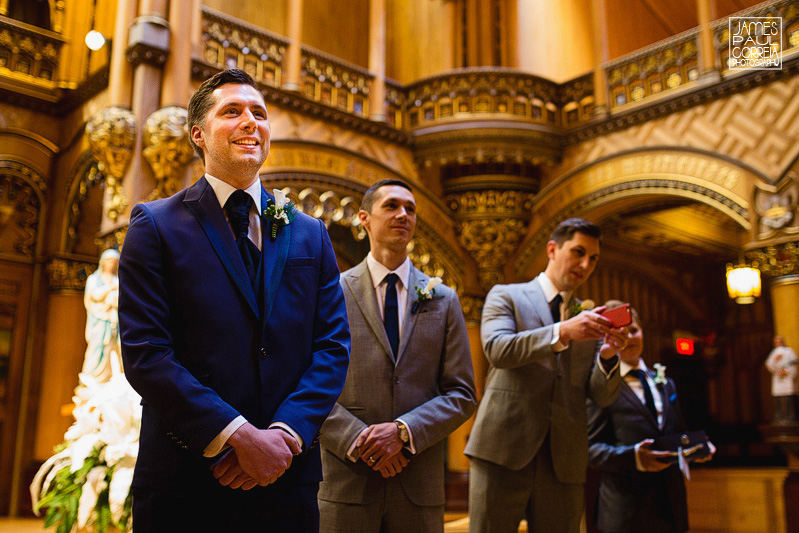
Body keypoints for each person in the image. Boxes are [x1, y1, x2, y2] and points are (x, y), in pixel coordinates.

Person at [118, 68, 350, 533]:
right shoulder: (156, 226)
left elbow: (332, 348)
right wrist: (237, 436)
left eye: (259, 114)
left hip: (288, 482)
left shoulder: (310, 233)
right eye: (233, 112)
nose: (251, 122)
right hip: (186, 483)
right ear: (198, 135)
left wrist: (283, 437)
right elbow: (146, 354)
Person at [317, 178, 477, 533]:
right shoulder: (330, 293)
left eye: (410, 209)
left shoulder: (443, 299)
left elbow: (462, 394)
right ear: (364, 218)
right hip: (348, 480)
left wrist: (403, 432)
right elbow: (305, 382)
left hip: (417, 484)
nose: (403, 214)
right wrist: (359, 440)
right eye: (391, 206)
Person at [465, 217, 628, 533]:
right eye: (578, 252)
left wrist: (608, 356)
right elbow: (497, 350)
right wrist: (562, 331)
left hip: (564, 461)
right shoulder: (506, 295)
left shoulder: (588, 315)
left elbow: (602, 396)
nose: (585, 264)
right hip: (502, 451)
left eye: (593, 258)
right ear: (552, 249)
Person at [587, 301, 715, 533]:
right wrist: (635, 457)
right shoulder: (601, 387)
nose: (629, 338)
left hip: (671, 509)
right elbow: (590, 450)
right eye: (621, 333)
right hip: (626, 513)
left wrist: (697, 447)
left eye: (634, 330)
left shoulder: (665, 382)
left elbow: (677, 435)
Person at [80, 248, 122, 385]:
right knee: (96, 349)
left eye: (114, 261)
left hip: (112, 320)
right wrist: (110, 289)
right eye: (109, 261)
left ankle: (107, 380)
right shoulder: (94, 279)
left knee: (111, 350)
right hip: (99, 319)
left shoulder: (117, 280)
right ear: (103, 262)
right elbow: (95, 295)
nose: (111, 264)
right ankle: (91, 378)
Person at [765, 335, 799, 423]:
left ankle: (791, 417)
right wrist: (776, 362)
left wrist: (786, 371)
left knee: (789, 398)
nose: (778, 343)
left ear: (782, 342)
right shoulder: (773, 353)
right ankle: (779, 417)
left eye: (779, 341)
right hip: (778, 378)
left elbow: (794, 362)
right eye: (776, 342)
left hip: (787, 378)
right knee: (778, 399)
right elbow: (769, 365)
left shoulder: (789, 351)